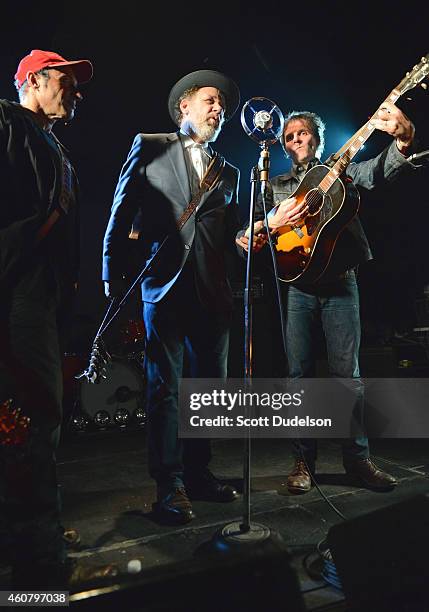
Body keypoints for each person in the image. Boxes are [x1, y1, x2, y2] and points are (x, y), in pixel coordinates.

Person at [237, 104, 418, 494]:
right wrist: (266, 225)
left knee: (346, 378)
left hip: (340, 282)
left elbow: (378, 172)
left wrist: (403, 142)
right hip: (297, 286)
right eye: (289, 136)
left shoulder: (341, 172)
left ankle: (357, 460)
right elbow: (250, 235)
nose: (295, 139)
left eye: (302, 132)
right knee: (299, 376)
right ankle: (304, 460)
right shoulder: (276, 184)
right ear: (282, 146)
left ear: (316, 138)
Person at [103, 70, 242, 524]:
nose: (217, 108)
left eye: (222, 103)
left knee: (209, 392)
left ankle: (200, 474)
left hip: (212, 291)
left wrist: (251, 236)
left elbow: (228, 235)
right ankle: (170, 485)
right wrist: (110, 269)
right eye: (209, 99)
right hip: (164, 284)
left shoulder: (231, 171)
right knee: (166, 388)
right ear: (184, 106)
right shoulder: (151, 144)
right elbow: (121, 208)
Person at [0, 49, 116, 587]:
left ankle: (28, 535)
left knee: (26, 421)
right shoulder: (7, 123)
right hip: (16, 298)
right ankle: (41, 567)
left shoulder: (55, 146)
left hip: (39, 301)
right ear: (33, 81)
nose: (76, 92)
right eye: (66, 81)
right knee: (34, 418)